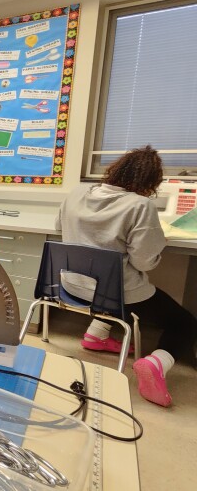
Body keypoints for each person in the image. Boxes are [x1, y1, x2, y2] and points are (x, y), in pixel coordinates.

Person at [58, 145, 196, 407]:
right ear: (150, 182)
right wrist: (157, 245)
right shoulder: (141, 205)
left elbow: (58, 227)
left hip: (72, 286)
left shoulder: (76, 193)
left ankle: (95, 335)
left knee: (112, 287)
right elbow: (144, 262)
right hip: (115, 294)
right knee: (183, 322)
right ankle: (157, 363)